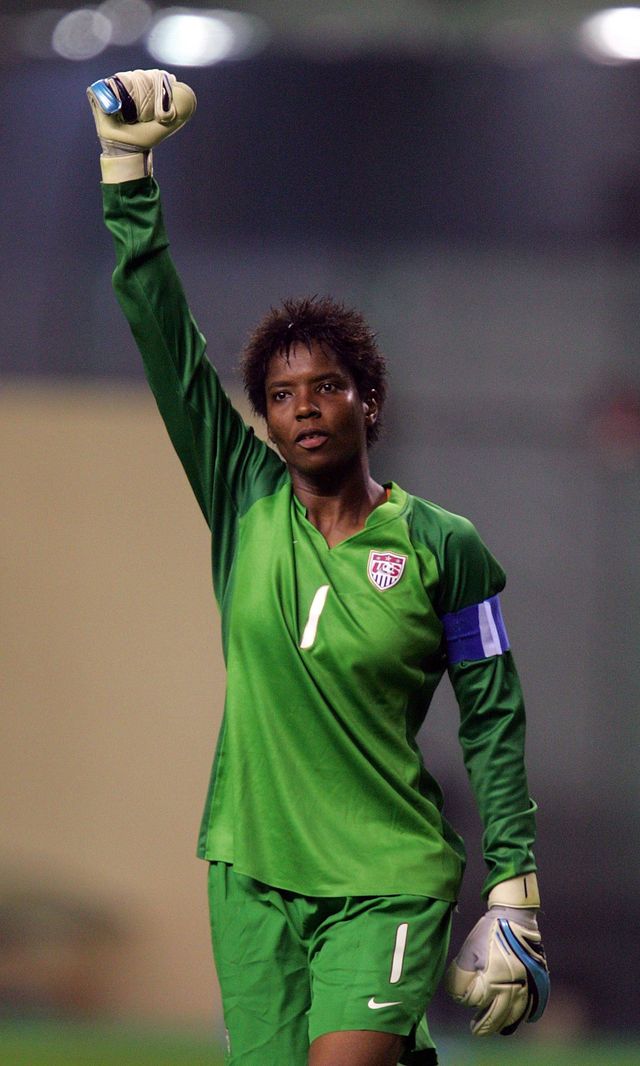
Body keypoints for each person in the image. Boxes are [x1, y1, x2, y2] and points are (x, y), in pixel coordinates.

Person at [87, 69, 549, 1066]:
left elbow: (494, 713)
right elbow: (165, 336)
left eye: (327, 386)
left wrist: (514, 880)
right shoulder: (240, 496)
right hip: (248, 871)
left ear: (367, 403)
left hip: (385, 871)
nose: (302, 405)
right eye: (282, 392)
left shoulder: (442, 546)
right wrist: (128, 169)